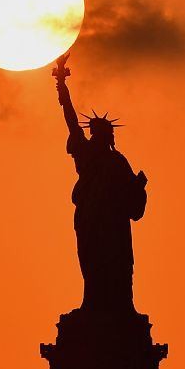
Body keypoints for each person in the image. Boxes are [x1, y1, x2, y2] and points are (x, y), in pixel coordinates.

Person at [54, 54, 147, 314]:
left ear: (109, 137)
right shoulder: (86, 153)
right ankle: (93, 305)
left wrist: (139, 187)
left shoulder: (118, 162)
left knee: (117, 262)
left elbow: (133, 206)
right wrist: (61, 84)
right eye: (94, 133)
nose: (96, 137)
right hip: (91, 219)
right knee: (92, 262)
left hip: (113, 224)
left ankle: (120, 307)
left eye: (101, 134)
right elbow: (71, 120)